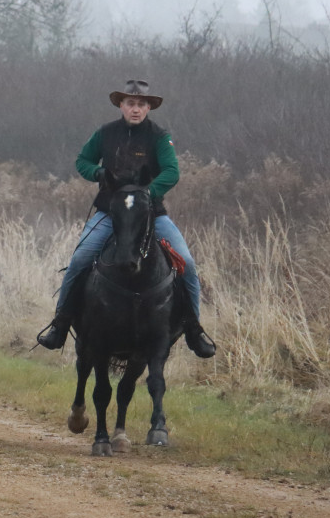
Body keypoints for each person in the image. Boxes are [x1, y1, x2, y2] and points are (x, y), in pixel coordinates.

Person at [36, 80, 216, 358]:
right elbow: (83, 160)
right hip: (109, 213)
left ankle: (194, 329)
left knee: (188, 265)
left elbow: (172, 171)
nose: (135, 109)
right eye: (130, 103)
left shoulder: (159, 136)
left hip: (150, 215)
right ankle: (59, 324)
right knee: (79, 261)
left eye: (141, 104)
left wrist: (146, 194)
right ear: (121, 105)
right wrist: (97, 173)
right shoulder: (105, 133)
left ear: (149, 108)